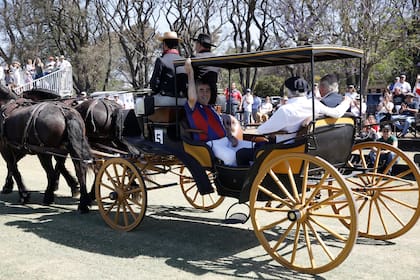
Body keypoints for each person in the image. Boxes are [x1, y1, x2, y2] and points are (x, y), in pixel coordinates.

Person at [184, 58, 254, 166]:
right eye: (201, 90)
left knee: (252, 147)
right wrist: (190, 73)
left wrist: (230, 137)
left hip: (226, 141)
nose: (205, 93)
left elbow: (222, 127)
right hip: (210, 144)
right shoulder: (193, 107)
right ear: (196, 93)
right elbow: (192, 97)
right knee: (231, 156)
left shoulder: (211, 109)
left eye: (207, 90)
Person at [257, 76, 351, 143]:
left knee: (244, 152)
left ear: (288, 91)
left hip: (284, 148)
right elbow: (337, 113)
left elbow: (262, 131)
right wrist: (347, 101)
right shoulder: (315, 104)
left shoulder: (285, 110)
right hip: (308, 146)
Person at [150, 31, 186, 97]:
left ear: (165, 45)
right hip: (182, 99)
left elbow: (154, 84)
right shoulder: (184, 61)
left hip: (165, 99)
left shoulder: (161, 60)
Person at [192, 33, 219, 104]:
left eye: (196, 43)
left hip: (200, 97)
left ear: (199, 44)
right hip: (213, 96)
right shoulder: (216, 59)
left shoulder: (195, 58)